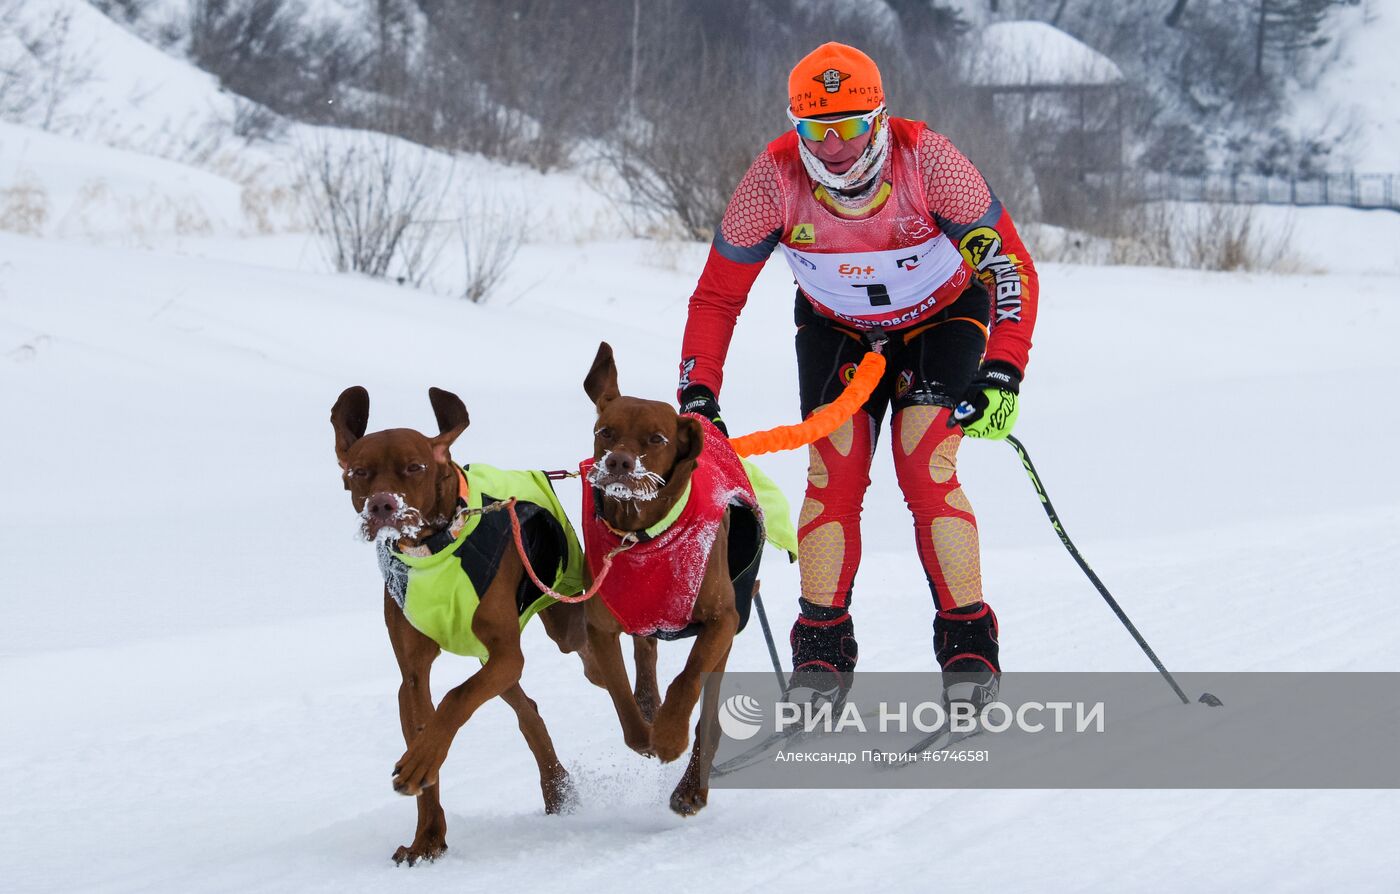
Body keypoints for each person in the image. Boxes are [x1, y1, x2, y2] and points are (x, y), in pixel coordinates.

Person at [676, 42, 1039, 707]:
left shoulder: (930, 160)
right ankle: (821, 654)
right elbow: (717, 297)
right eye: (817, 129)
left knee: (925, 463)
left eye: (850, 126)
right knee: (831, 472)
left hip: (942, 319)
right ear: (797, 126)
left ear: (879, 117)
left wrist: (1004, 371)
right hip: (837, 329)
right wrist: (698, 394)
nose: (835, 145)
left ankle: (968, 651)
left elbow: (1008, 266)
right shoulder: (773, 179)